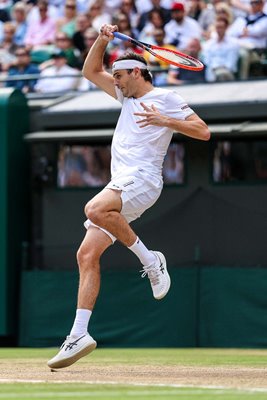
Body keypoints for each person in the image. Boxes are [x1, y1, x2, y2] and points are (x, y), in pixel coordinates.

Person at [47, 23, 210, 369]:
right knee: (86, 254)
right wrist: (103, 40)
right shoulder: (126, 96)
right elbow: (91, 70)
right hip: (121, 183)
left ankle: (151, 261)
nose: (115, 82)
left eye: (120, 77)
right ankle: (79, 334)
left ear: (136, 72)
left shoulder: (166, 98)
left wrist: (167, 120)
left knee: (94, 208)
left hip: (144, 180)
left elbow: (203, 131)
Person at [202, 17, 240, 82]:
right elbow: (207, 61)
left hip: (226, 72)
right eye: (217, 27)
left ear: (226, 28)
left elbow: (230, 63)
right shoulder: (209, 44)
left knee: (221, 74)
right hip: (211, 71)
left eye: (221, 27)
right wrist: (214, 68)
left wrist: (219, 69)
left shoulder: (233, 43)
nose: (219, 30)